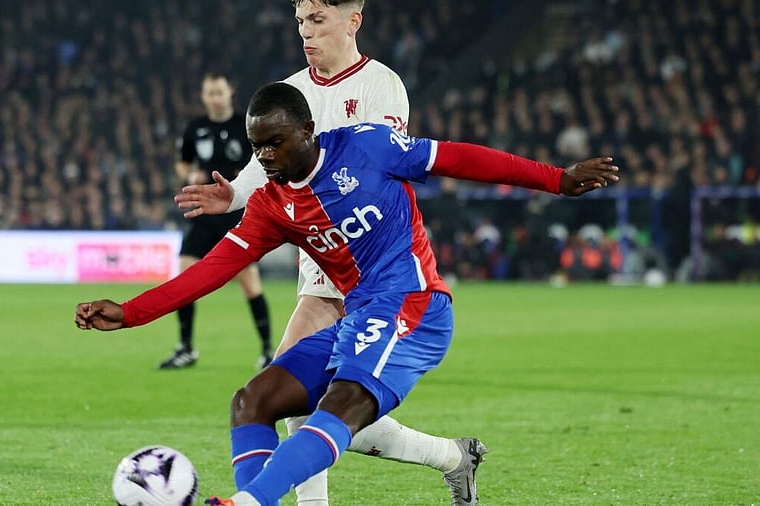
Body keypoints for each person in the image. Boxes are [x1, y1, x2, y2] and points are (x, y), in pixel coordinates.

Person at [75, 82, 621, 505]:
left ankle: (247, 500)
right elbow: (212, 269)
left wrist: (557, 178)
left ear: (307, 130)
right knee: (252, 402)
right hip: (359, 317)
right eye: (256, 146)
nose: (264, 157)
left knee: (341, 407)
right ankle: (446, 459)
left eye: (275, 143)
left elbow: (461, 158)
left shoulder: (370, 147)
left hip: (415, 306)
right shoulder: (271, 205)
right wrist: (130, 313)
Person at [173, 2, 483, 504]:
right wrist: (232, 194)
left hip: (373, 267)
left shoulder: (381, 85)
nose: (305, 32)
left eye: (317, 20)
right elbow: (268, 167)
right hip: (319, 270)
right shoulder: (291, 92)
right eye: (300, 22)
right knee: (292, 402)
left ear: (352, 21)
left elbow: (375, 161)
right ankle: (451, 457)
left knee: (316, 406)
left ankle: (450, 457)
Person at [161, 72, 274, 370]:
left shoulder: (244, 126)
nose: (214, 98)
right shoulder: (195, 128)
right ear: (203, 95)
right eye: (209, 93)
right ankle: (185, 347)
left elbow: (263, 159)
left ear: (230, 93)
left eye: (219, 92)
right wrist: (188, 175)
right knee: (183, 276)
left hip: (237, 213)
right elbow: (183, 162)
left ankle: (267, 351)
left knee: (249, 283)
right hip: (204, 212)